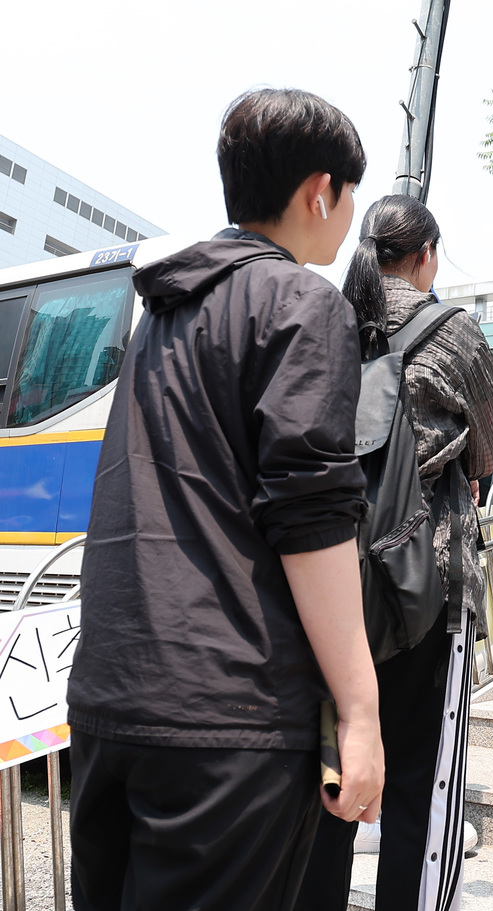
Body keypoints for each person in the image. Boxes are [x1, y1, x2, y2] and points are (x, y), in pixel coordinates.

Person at [66, 89, 382, 910]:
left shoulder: (163, 313)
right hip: (227, 713)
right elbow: (310, 514)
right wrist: (360, 709)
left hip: (111, 698)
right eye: (348, 198)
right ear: (322, 191)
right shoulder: (303, 304)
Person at [295, 196, 493, 911]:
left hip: (327, 581)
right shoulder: (456, 333)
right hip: (429, 582)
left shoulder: (326, 322)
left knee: (330, 771)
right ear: (426, 255)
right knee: (423, 781)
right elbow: (484, 453)